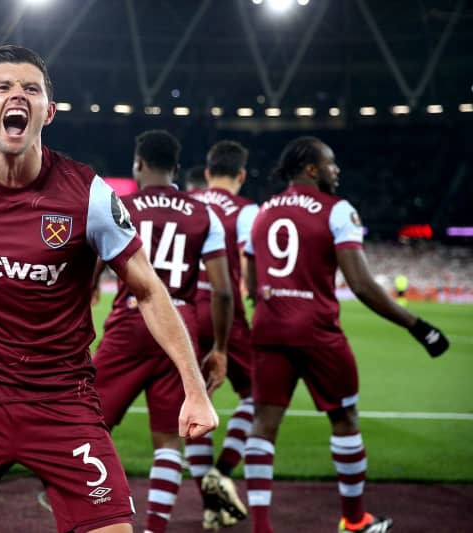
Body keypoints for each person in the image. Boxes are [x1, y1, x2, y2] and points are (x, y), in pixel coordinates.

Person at [0, 45, 218, 533]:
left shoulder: (90, 196)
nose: (17, 95)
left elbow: (148, 290)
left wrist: (194, 389)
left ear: (49, 111)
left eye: (31, 89)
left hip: (63, 404)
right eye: (3, 87)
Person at [243, 136, 450, 533]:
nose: (336, 170)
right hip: (317, 331)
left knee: (263, 425)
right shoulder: (338, 211)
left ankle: (262, 527)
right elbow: (361, 285)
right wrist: (418, 326)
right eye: (331, 163)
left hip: (269, 329)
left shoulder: (262, 212)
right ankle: (355, 521)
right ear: (311, 169)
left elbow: (252, 285)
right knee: (344, 419)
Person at [91, 130, 232, 533]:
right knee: (170, 438)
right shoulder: (204, 214)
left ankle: (81, 500)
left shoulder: (119, 204)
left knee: (91, 419)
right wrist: (219, 347)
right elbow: (222, 291)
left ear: (138, 164)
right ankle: (154, 527)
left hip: (130, 319)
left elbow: (92, 270)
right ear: (175, 168)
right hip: (180, 325)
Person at [185, 140, 258, 530]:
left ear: (208, 173)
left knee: (197, 403)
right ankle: (224, 469)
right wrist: (257, 294)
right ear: (242, 176)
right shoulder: (247, 211)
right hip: (224, 310)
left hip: (184, 311)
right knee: (257, 397)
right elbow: (247, 260)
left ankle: (210, 506)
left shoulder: (188, 205)